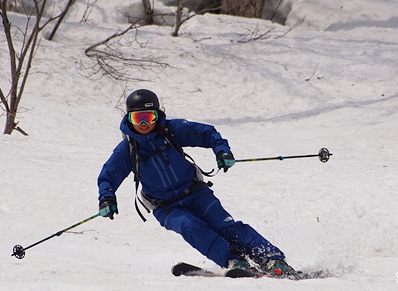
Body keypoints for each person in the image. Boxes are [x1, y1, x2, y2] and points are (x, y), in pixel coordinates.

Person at [96, 89, 297, 277]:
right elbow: (108, 176)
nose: (143, 123)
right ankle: (233, 261)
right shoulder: (127, 150)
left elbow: (207, 133)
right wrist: (106, 198)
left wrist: (222, 151)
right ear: (129, 118)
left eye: (149, 117)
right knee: (190, 226)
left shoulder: (171, 131)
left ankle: (272, 260)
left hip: (196, 193)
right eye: (137, 118)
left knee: (225, 225)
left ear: (157, 115)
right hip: (166, 207)